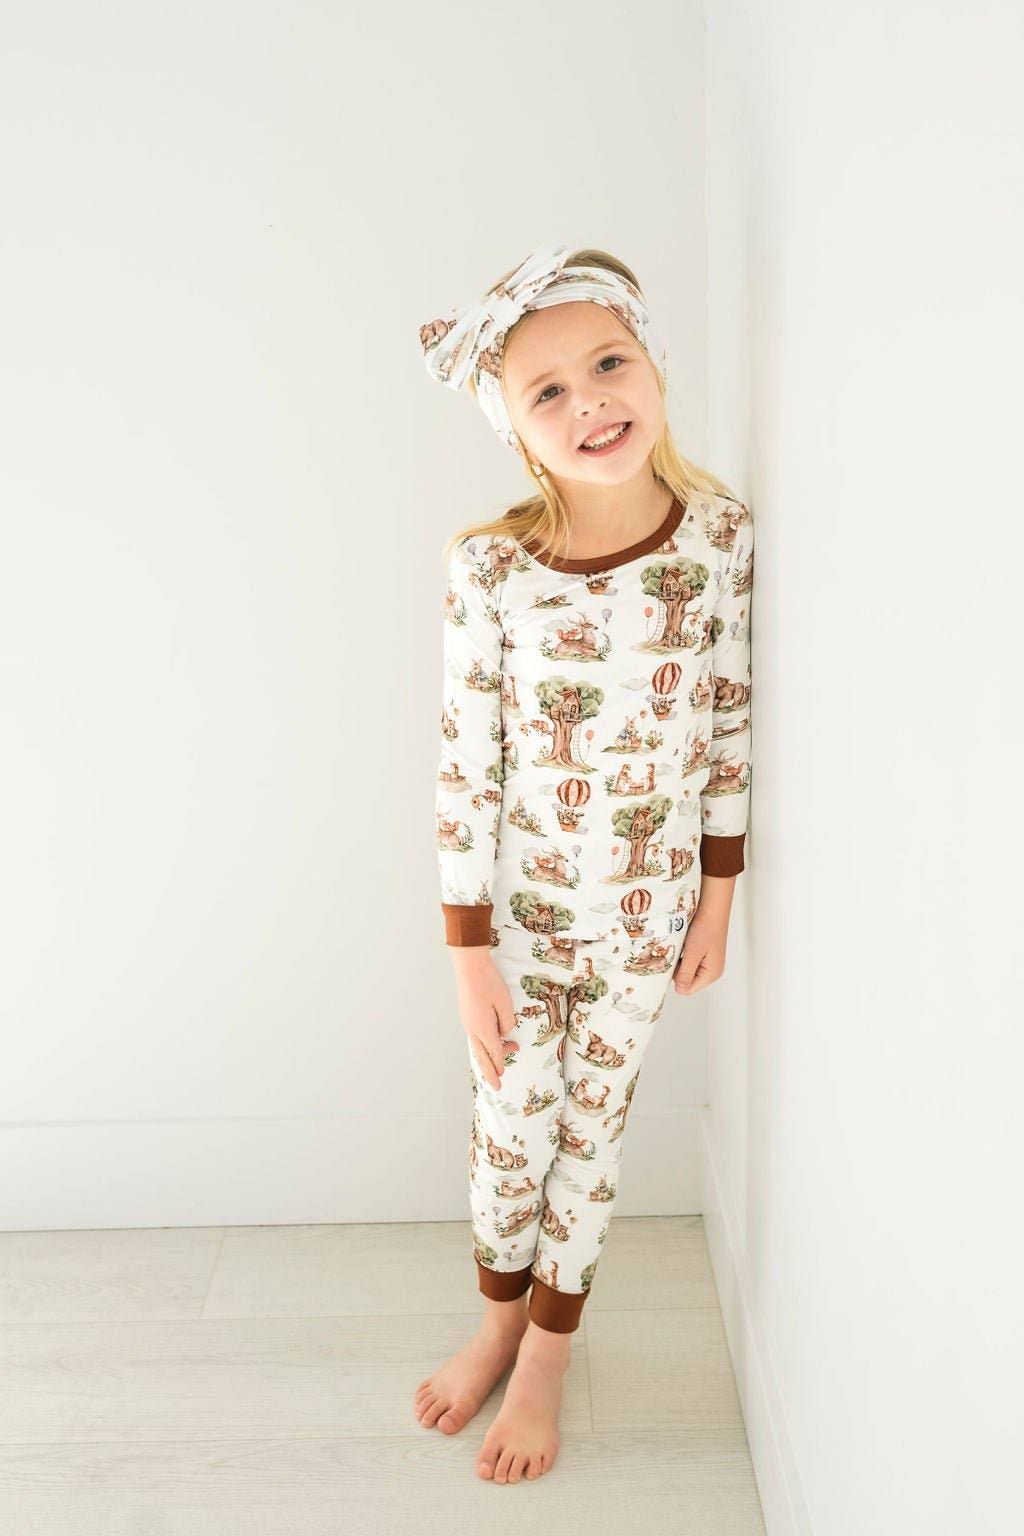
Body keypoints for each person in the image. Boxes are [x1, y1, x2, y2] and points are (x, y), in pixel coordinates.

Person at [414, 243, 754, 1483]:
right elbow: (467, 767)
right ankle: (497, 1323)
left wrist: (716, 896)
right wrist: (468, 955)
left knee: (592, 1135)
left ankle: (549, 1356)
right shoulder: (491, 571)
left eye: (609, 364)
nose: (590, 403)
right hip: (518, 925)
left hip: (645, 920)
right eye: (547, 391)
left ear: (653, 367)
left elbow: (726, 719)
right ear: (513, 427)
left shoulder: (716, 540)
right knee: (510, 1129)